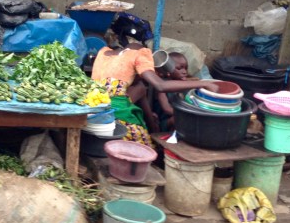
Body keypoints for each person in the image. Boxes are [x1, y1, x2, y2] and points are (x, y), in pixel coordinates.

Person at [91, 14, 217, 147]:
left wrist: (152, 123)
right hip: (112, 114)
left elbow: (139, 90)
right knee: (144, 144)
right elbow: (160, 85)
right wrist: (204, 83)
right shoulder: (141, 54)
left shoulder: (103, 52)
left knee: (139, 89)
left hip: (93, 109)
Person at [154, 51, 189, 131]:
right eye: (179, 68)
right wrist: (186, 114)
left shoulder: (186, 86)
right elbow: (167, 109)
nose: (184, 71)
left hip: (181, 116)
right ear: (168, 71)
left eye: (186, 68)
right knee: (178, 119)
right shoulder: (162, 86)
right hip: (164, 122)